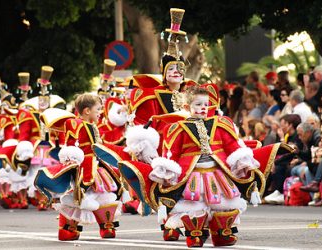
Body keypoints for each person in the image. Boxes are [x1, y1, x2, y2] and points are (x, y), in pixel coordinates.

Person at [119, 85, 290, 247]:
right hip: (192, 174)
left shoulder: (221, 124)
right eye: (198, 104)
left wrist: (243, 161)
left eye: (206, 104)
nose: (203, 108)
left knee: (224, 202)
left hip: (218, 172)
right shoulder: (177, 128)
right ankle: (195, 234)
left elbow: (232, 146)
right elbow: (171, 154)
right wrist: (166, 172)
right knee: (194, 203)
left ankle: (222, 232)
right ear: (187, 106)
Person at [35, 93, 122, 241]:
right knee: (82, 195)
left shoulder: (82, 124)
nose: (100, 113)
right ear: (87, 111)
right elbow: (84, 145)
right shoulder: (80, 124)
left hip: (89, 165)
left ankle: (102, 225)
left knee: (97, 193)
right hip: (86, 166)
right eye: (98, 109)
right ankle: (72, 228)